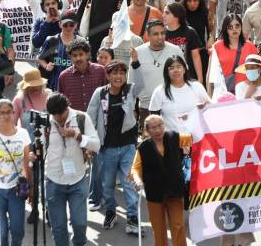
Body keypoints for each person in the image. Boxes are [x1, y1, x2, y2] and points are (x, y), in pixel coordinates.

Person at [86, 52, 143, 235]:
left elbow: (142, 86)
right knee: (107, 185)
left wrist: (135, 63)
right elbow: (90, 118)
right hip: (106, 148)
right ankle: (110, 211)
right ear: (108, 76)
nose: (118, 76)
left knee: (128, 183)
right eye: (114, 73)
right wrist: (90, 144)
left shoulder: (130, 89)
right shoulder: (100, 93)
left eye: (122, 73)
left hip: (128, 147)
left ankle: (133, 217)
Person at [44, 93, 100, 246]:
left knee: (79, 223)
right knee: (59, 227)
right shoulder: (47, 122)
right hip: (53, 180)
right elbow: (41, 149)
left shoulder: (82, 118)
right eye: (54, 115)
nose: (58, 118)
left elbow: (96, 145)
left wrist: (76, 135)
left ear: (67, 107)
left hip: (77, 179)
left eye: (61, 114)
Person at [130, 114, 191, 246]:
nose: (158, 130)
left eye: (160, 126)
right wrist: (137, 180)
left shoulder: (174, 137)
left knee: (178, 226)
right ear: (147, 130)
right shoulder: (143, 147)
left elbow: (194, 138)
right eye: (153, 127)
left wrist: (194, 117)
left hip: (175, 190)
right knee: (159, 230)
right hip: (154, 194)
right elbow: (135, 169)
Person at [130, 21, 184, 127]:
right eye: (155, 34)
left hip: (173, 106)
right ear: (148, 35)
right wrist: (132, 109)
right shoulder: (137, 52)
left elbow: (185, 76)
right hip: (147, 108)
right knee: (149, 142)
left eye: (162, 33)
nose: (160, 37)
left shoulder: (175, 50)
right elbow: (131, 83)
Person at [0, 98, 31, 246]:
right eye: (2, 113)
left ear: (14, 113)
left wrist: (31, 186)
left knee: (17, 231)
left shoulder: (22, 133)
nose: (6, 116)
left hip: (16, 189)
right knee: (1, 233)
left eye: (9, 112)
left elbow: (26, 163)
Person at [148, 55, 210, 133]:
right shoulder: (159, 91)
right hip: (171, 139)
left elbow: (209, 107)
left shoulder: (196, 86)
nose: (176, 70)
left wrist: (204, 106)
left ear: (184, 69)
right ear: (167, 72)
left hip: (197, 137)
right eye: (171, 68)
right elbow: (153, 118)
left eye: (179, 67)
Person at [209, 14, 258, 95]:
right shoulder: (217, 46)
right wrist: (210, 96)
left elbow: (258, 70)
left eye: (237, 26)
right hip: (224, 92)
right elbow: (211, 75)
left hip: (247, 92)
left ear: (241, 27)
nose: (234, 29)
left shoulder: (250, 46)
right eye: (230, 27)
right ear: (225, 29)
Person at [57, 39, 108, 112]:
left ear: (87, 55)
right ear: (70, 57)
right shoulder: (64, 76)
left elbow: (107, 95)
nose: (78, 58)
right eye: (74, 55)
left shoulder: (100, 71)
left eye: (81, 54)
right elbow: (61, 102)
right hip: (74, 119)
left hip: (96, 117)